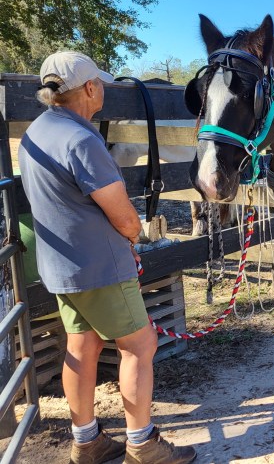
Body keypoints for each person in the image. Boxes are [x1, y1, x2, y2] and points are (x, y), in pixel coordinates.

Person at [18, 51, 196, 464]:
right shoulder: (82, 140)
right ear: (91, 88)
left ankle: (87, 441)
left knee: (81, 347)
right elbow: (123, 216)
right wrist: (135, 233)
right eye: (100, 83)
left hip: (60, 267)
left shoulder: (37, 132)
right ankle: (142, 442)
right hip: (100, 266)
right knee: (139, 345)